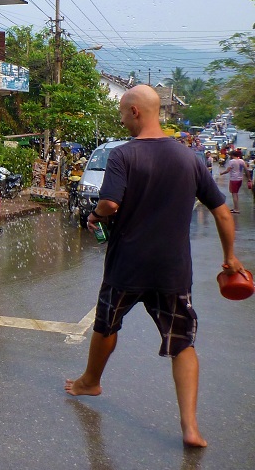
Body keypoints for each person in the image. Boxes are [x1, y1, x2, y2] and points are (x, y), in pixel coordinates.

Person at [64, 84, 244, 448]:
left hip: (127, 266)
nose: (120, 119)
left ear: (135, 112)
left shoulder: (123, 156)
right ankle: (191, 427)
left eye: (121, 112)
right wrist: (230, 257)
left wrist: (93, 216)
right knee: (183, 345)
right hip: (172, 271)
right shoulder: (190, 159)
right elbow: (222, 212)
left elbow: (110, 205)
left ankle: (90, 381)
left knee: (106, 325)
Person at [219, 149, 247, 213]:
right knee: (236, 194)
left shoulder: (232, 162)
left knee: (234, 194)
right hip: (240, 179)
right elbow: (246, 169)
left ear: (232, 155)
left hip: (234, 179)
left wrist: (222, 173)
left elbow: (228, 170)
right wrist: (249, 179)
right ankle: (235, 208)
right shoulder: (241, 161)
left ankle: (236, 209)